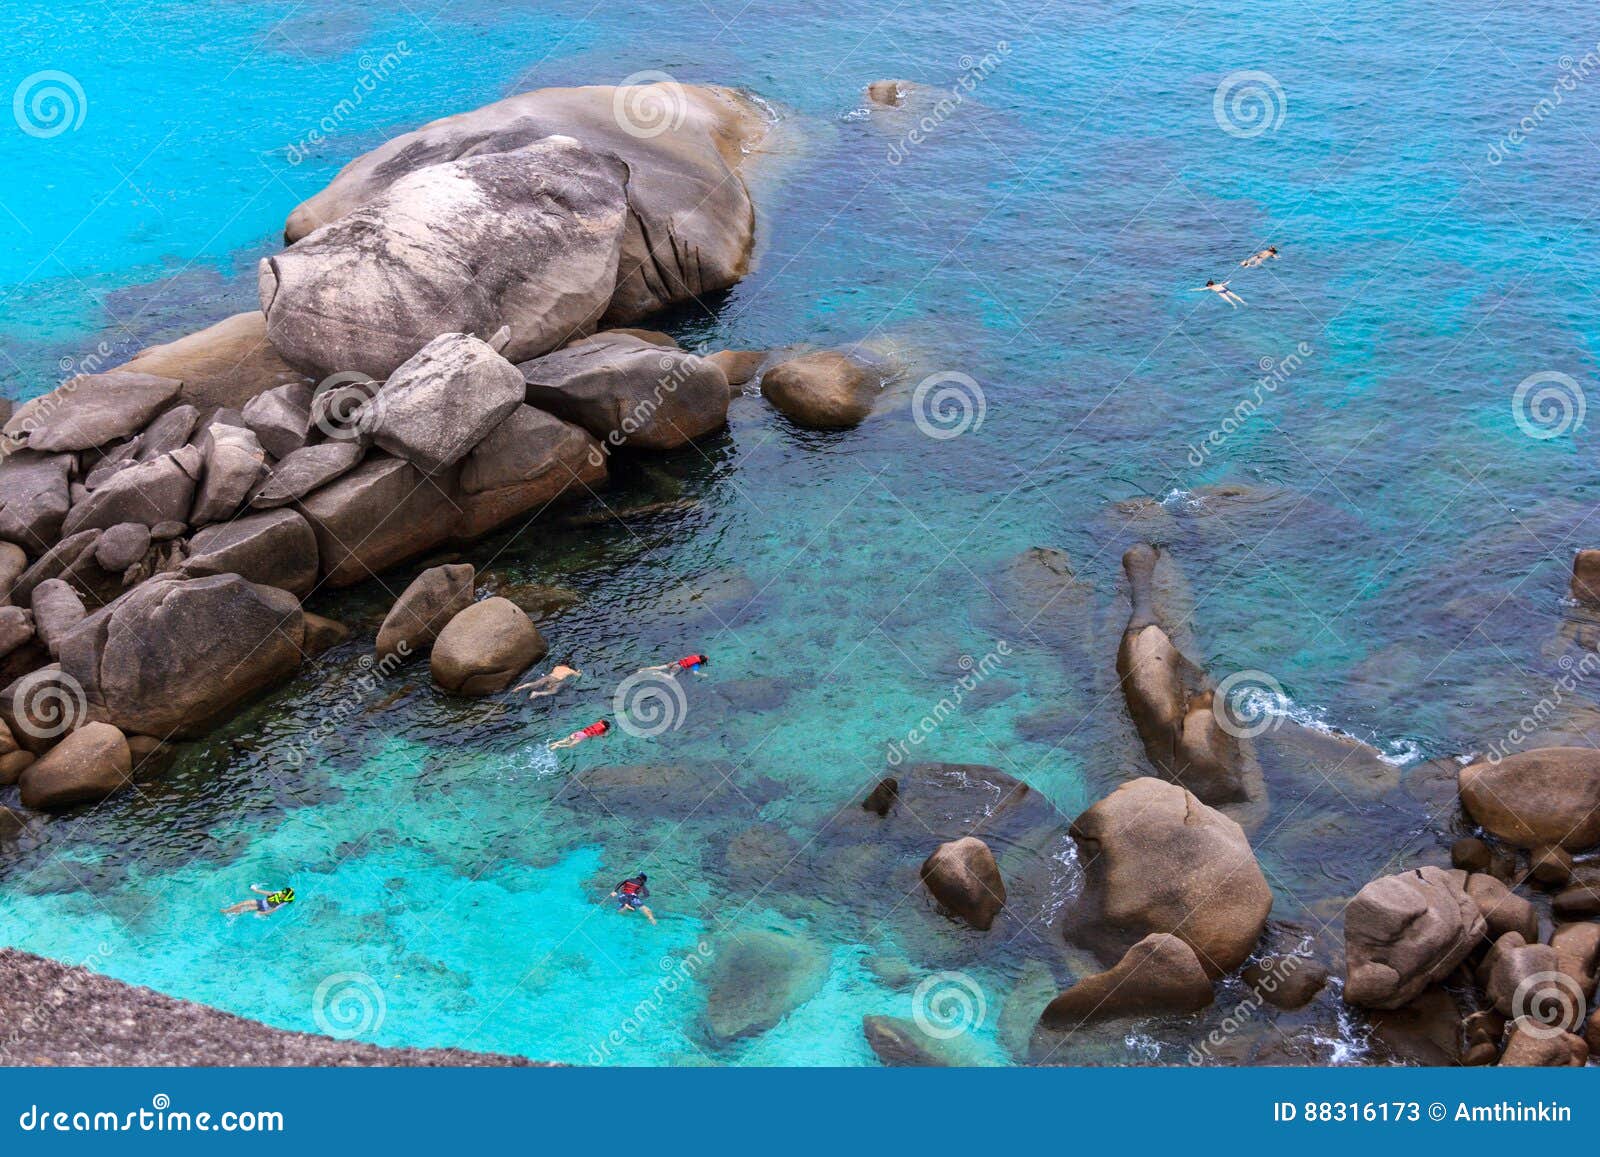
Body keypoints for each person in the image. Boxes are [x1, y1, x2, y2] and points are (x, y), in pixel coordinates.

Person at [513, 659, 582, 699]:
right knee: (553, 691)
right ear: (567, 665)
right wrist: (578, 672)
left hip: (549, 676)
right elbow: (579, 676)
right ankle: (537, 693)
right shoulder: (570, 670)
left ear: (561, 664)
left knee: (535, 683)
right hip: (557, 680)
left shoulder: (557, 667)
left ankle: (520, 687)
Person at [222, 884, 294, 917]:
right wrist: (256, 890)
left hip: (264, 908)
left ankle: (232, 913)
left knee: (245, 909)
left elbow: (274, 909)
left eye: (283, 894)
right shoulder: (280, 892)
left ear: (286, 896)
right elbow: (269, 893)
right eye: (282, 892)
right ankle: (227, 910)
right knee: (244, 903)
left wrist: (263, 913)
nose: (281, 894)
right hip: (262, 902)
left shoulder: (284, 902)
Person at [641, 653, 710, 676]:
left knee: (658, 667)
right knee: (670, 677)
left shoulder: (694, 656)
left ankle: (642, 669)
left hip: (675, 662)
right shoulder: (696, 664)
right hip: (678, 666)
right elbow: (695, 673)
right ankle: (659, 674)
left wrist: (705, 657)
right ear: (702, 661)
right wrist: (703, 675)